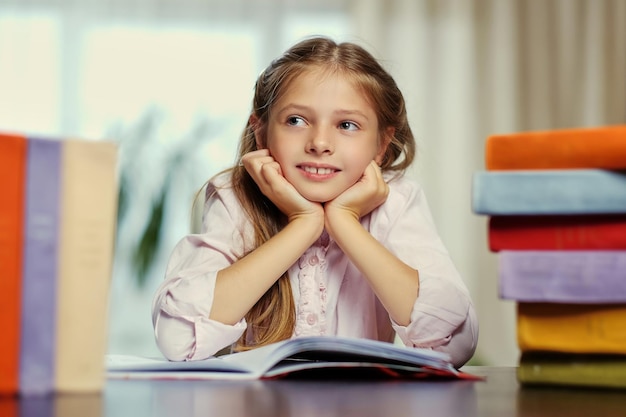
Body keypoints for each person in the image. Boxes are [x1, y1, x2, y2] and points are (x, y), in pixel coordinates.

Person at [152, 36, 478, 368]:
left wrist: (344, 221)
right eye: (296, 120)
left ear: (381, 145)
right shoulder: (235, 197)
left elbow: (455, 344)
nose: (320, 143)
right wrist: (304, 224)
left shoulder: (397, 200)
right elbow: (178, 339)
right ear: (261, 132)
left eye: (347, 125)